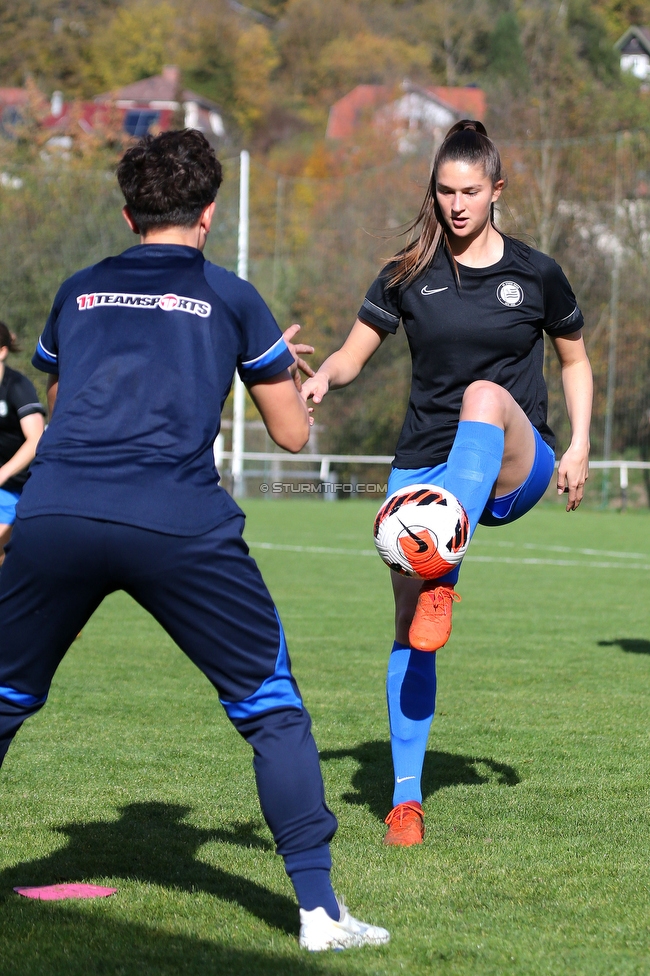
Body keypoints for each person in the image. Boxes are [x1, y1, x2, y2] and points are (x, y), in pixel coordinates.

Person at [0, 130, 389, 952]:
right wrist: (279, 369)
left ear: (126, 213)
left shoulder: (78, 290)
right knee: (271, 709)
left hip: (57, 513)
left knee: (2, 701)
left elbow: (68, 403)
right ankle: (320, 915)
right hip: (178, 522)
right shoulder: (232, 296)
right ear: (210, 214)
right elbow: (289, 438)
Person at [301, 120, 593, 847]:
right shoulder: (407, 273)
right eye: (444, 190)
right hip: (424, 467)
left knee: (484, 397)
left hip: (514, 466)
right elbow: (352, 352)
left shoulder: (537, 273)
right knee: (410, 636)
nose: (456, 204)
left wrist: (582, 445)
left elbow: (576, 360)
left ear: (497, 190)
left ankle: (442, 560)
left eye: (470, 191)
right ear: (431, 191)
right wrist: (323, 378)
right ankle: (406, 800)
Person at [0, 323, 46, 565]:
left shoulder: (17, 386)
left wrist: (3, 473)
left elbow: (36, 438)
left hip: (18, 486)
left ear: (2, 351)